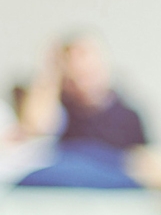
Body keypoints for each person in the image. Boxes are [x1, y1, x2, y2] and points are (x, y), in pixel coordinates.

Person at [15, 32, 148, 188]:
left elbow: (142, 162)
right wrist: (51, 72)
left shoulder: (128, 115)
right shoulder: (59, 107)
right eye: (72, 59)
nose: (80, 66)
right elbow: (36, 127)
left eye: (85, 57)